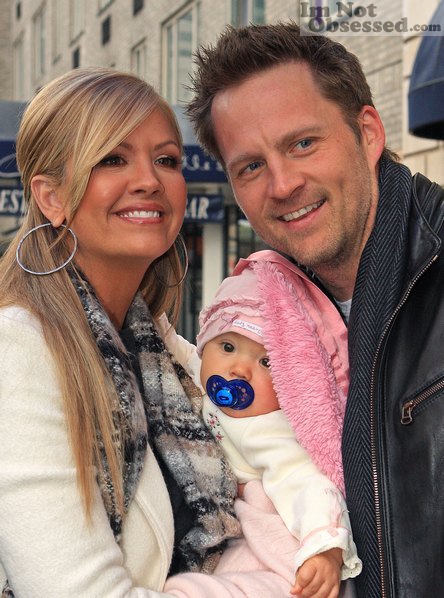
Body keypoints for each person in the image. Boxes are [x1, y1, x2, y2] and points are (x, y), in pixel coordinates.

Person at [0, 66, 310, 598]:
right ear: (51, 197)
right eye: (112, 159)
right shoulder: (19, 349)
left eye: (166, 160)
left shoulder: (168, 354)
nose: (149, 180)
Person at [186, 21, 444, 598]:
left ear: (367, 134)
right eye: (251, 166)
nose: (282, 185)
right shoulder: (250, 313)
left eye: (303, 143)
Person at [196, 250, 362, 597]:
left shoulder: (269, 429)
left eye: (266, 362)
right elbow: (178, 353)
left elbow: (304, 481)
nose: (239, 370)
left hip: (267, 540)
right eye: (227, 346)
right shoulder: (200, 388)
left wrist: (324, 546)